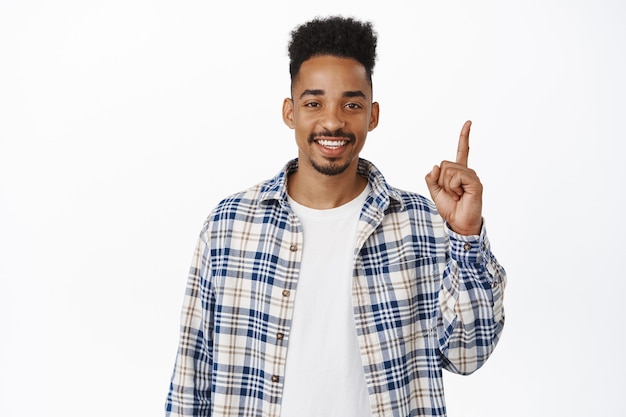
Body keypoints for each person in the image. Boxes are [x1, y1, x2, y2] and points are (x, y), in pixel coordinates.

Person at [165, 15, 506, 417]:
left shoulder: (422, 225)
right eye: (314, 103)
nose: (333, 121)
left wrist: (464, 235)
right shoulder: (229, 226)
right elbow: (192, 374)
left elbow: (468, 355)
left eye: (351, 104)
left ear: (372, 115)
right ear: (290, 112)